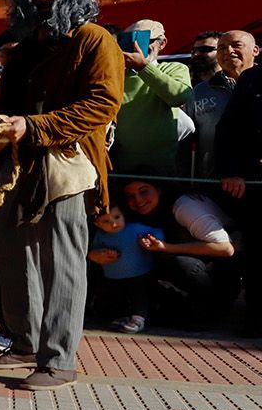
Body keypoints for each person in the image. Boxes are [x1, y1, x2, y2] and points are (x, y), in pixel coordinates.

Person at [0, 0, 123, 390]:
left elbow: (102, 105)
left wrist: (34, 126)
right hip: (18, 162)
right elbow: (10, 110)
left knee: (63, 261)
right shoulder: (25, 49)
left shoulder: (95, 40)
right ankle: (23, 343)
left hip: (68, 163)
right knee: (9, 249)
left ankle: (58, 360)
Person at [120, 178, 237, 325]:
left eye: (144, 192)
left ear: (160, 190)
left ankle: (211, 309)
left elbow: (226, 249)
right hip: (184, 265)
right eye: (130, 196)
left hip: (223, 268)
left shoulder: (185, 206)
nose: (138, 200)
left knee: (180, 263)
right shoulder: (133, 216)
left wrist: (167, 247)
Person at [216, 30, 262, 334]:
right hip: (256, 184)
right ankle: (256, 318)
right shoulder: (252, 80)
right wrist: (231, 171)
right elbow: (227, 130)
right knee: (257, 253)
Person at [113, 19, 190, 176]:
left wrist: (143, 67)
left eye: (145, 40)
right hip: (120, 168)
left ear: (162, 44)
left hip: (162, 170)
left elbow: (179, 96)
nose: (136, 46)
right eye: (128, 40)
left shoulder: (174, 68)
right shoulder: (115, 74)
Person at [88, 203, 163, 334]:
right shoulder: (100, 236)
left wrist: (151, 240)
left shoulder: (135, 229)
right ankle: (122, 317)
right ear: (97, 224)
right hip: (113, 275)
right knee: (116, 295)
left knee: (139, 296)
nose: (114, 223)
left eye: (117, 217)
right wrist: (101, 254)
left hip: (140, 273)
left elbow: (157, 232)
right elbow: (94, 251)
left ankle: (138, 319)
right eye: (106, 221)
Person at [187, 29, 253, 179]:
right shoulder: (198, 92)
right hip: (214, 181)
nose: (229, 51)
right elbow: (188, 139)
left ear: (255, 50)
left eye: (236, 45)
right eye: (222, 48)